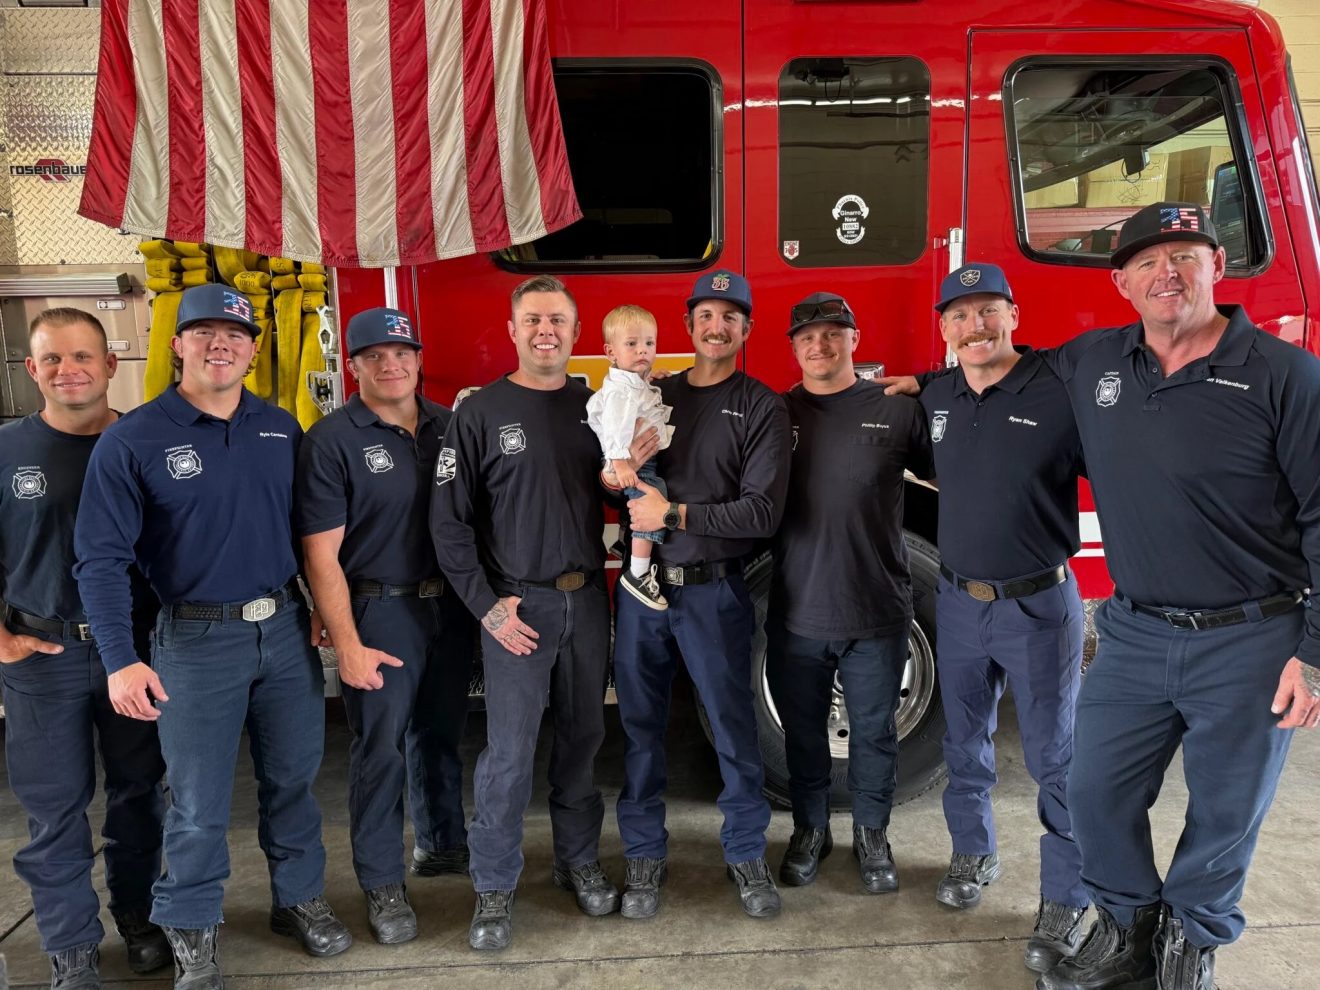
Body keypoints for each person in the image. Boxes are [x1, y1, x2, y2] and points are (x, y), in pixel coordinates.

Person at [885, 204, 1320, 990]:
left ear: (1217, 267)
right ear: (1120, 282)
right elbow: (989, 367)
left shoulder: (1286, 375)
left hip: (1251, 634)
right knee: (1092, 789)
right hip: (1136, 630)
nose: (1167, 274)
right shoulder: (1095, 360)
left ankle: (1189, 946)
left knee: (1225, 811)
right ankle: (1126, 929)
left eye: (1185, 256)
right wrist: (924, 381)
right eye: (1147, 262)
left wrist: (1314, 653)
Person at [74, 283, 351, 990]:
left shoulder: (280, 428)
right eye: (203, 333)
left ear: (254, 351)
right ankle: (191, 927)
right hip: (195, 641)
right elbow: (100, 561)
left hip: (282, 631)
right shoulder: (132, 439)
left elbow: (308, 535)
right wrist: (121, 660)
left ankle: (298, 900)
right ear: (178, 345)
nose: (220, 345)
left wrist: (321, 609)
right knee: (197, 803)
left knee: (293, 782)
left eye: (235, 336)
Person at [431, 275, 640, 951]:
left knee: (584, 738)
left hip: (587, 599)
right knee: (509, 754)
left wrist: (633, 472)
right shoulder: (480, 413)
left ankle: (577, 860)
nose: (545, 331)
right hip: (517, 608)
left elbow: (622, 498)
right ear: (513, 330)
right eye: (533, 320)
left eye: (557, 320)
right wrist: (487, 608)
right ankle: (494, 885)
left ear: (576, 333)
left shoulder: (596, 408)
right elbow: (449, 525)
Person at [920, 265, 1089, 974]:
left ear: (1014, 315)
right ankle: (973, 853)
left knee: (1056, 757)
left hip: (1037, 607)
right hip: (959, 603)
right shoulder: (937, 395)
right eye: (959, 316)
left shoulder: (1059, 390)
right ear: (944, 329)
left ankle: (1066, 895)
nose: (975, 327)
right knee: (964, 742)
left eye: (988, 310)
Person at [613, 270, 791, 920]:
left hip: (714, 594)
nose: (717, 327)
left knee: (734, 729)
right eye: (706, 316)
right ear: (688, 326)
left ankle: (746, 853)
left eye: (730, 317)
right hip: (643, 594)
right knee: (639, 728)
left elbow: (761, 514)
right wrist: (619, 472)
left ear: (747, 329)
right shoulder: (653, 394)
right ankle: (643, 854)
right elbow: (614, 481)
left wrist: (675, 514)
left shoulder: (762, 407)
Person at [297, 307, 476, 945]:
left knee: (440, 733)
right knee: (380, 749)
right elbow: (320, 554)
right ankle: (381, 883)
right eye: (374, 355)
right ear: (354, 366)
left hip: (449, 607)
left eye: (402, 352)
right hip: (381, 609)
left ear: (419, 360)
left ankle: (442, 844)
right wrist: (346, 640)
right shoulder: (331, 440)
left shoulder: (451, 427)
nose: (391, 364)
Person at [1, 308, 168, 989]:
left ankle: (139, 917)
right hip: (44, 658)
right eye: (52, 358)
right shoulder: (7, 452)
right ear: (31, 369)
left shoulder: (149, 442)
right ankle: (70, 946)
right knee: (55, 810)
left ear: (110, 365)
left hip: (137, 654)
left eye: (81, 356)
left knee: (140, 795)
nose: (67, 370)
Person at [766, 292, 933, 899]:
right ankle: (810, 831)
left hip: (876, 609)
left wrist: (932, 383)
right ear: (793, 347)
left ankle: (872, 835)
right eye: (807, 336)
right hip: (798, 610)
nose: (821, 344)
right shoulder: (773, 414)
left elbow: (959, 466)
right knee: (804, 733)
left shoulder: (896, 411)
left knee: (874, 732)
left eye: (833, 333)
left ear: (854, 340)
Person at [585, 304, 674, 610]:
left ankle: (627, 543)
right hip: (632, 462)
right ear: (610, 352)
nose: (642, 350)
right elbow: (616, 427)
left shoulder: (631, 383)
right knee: (653, 499)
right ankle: (637, 573)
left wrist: (651, 381)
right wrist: (621, 463)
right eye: (632, 344)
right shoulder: (620, 391)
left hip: (634, 459)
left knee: (641, 504)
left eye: (649, 343)